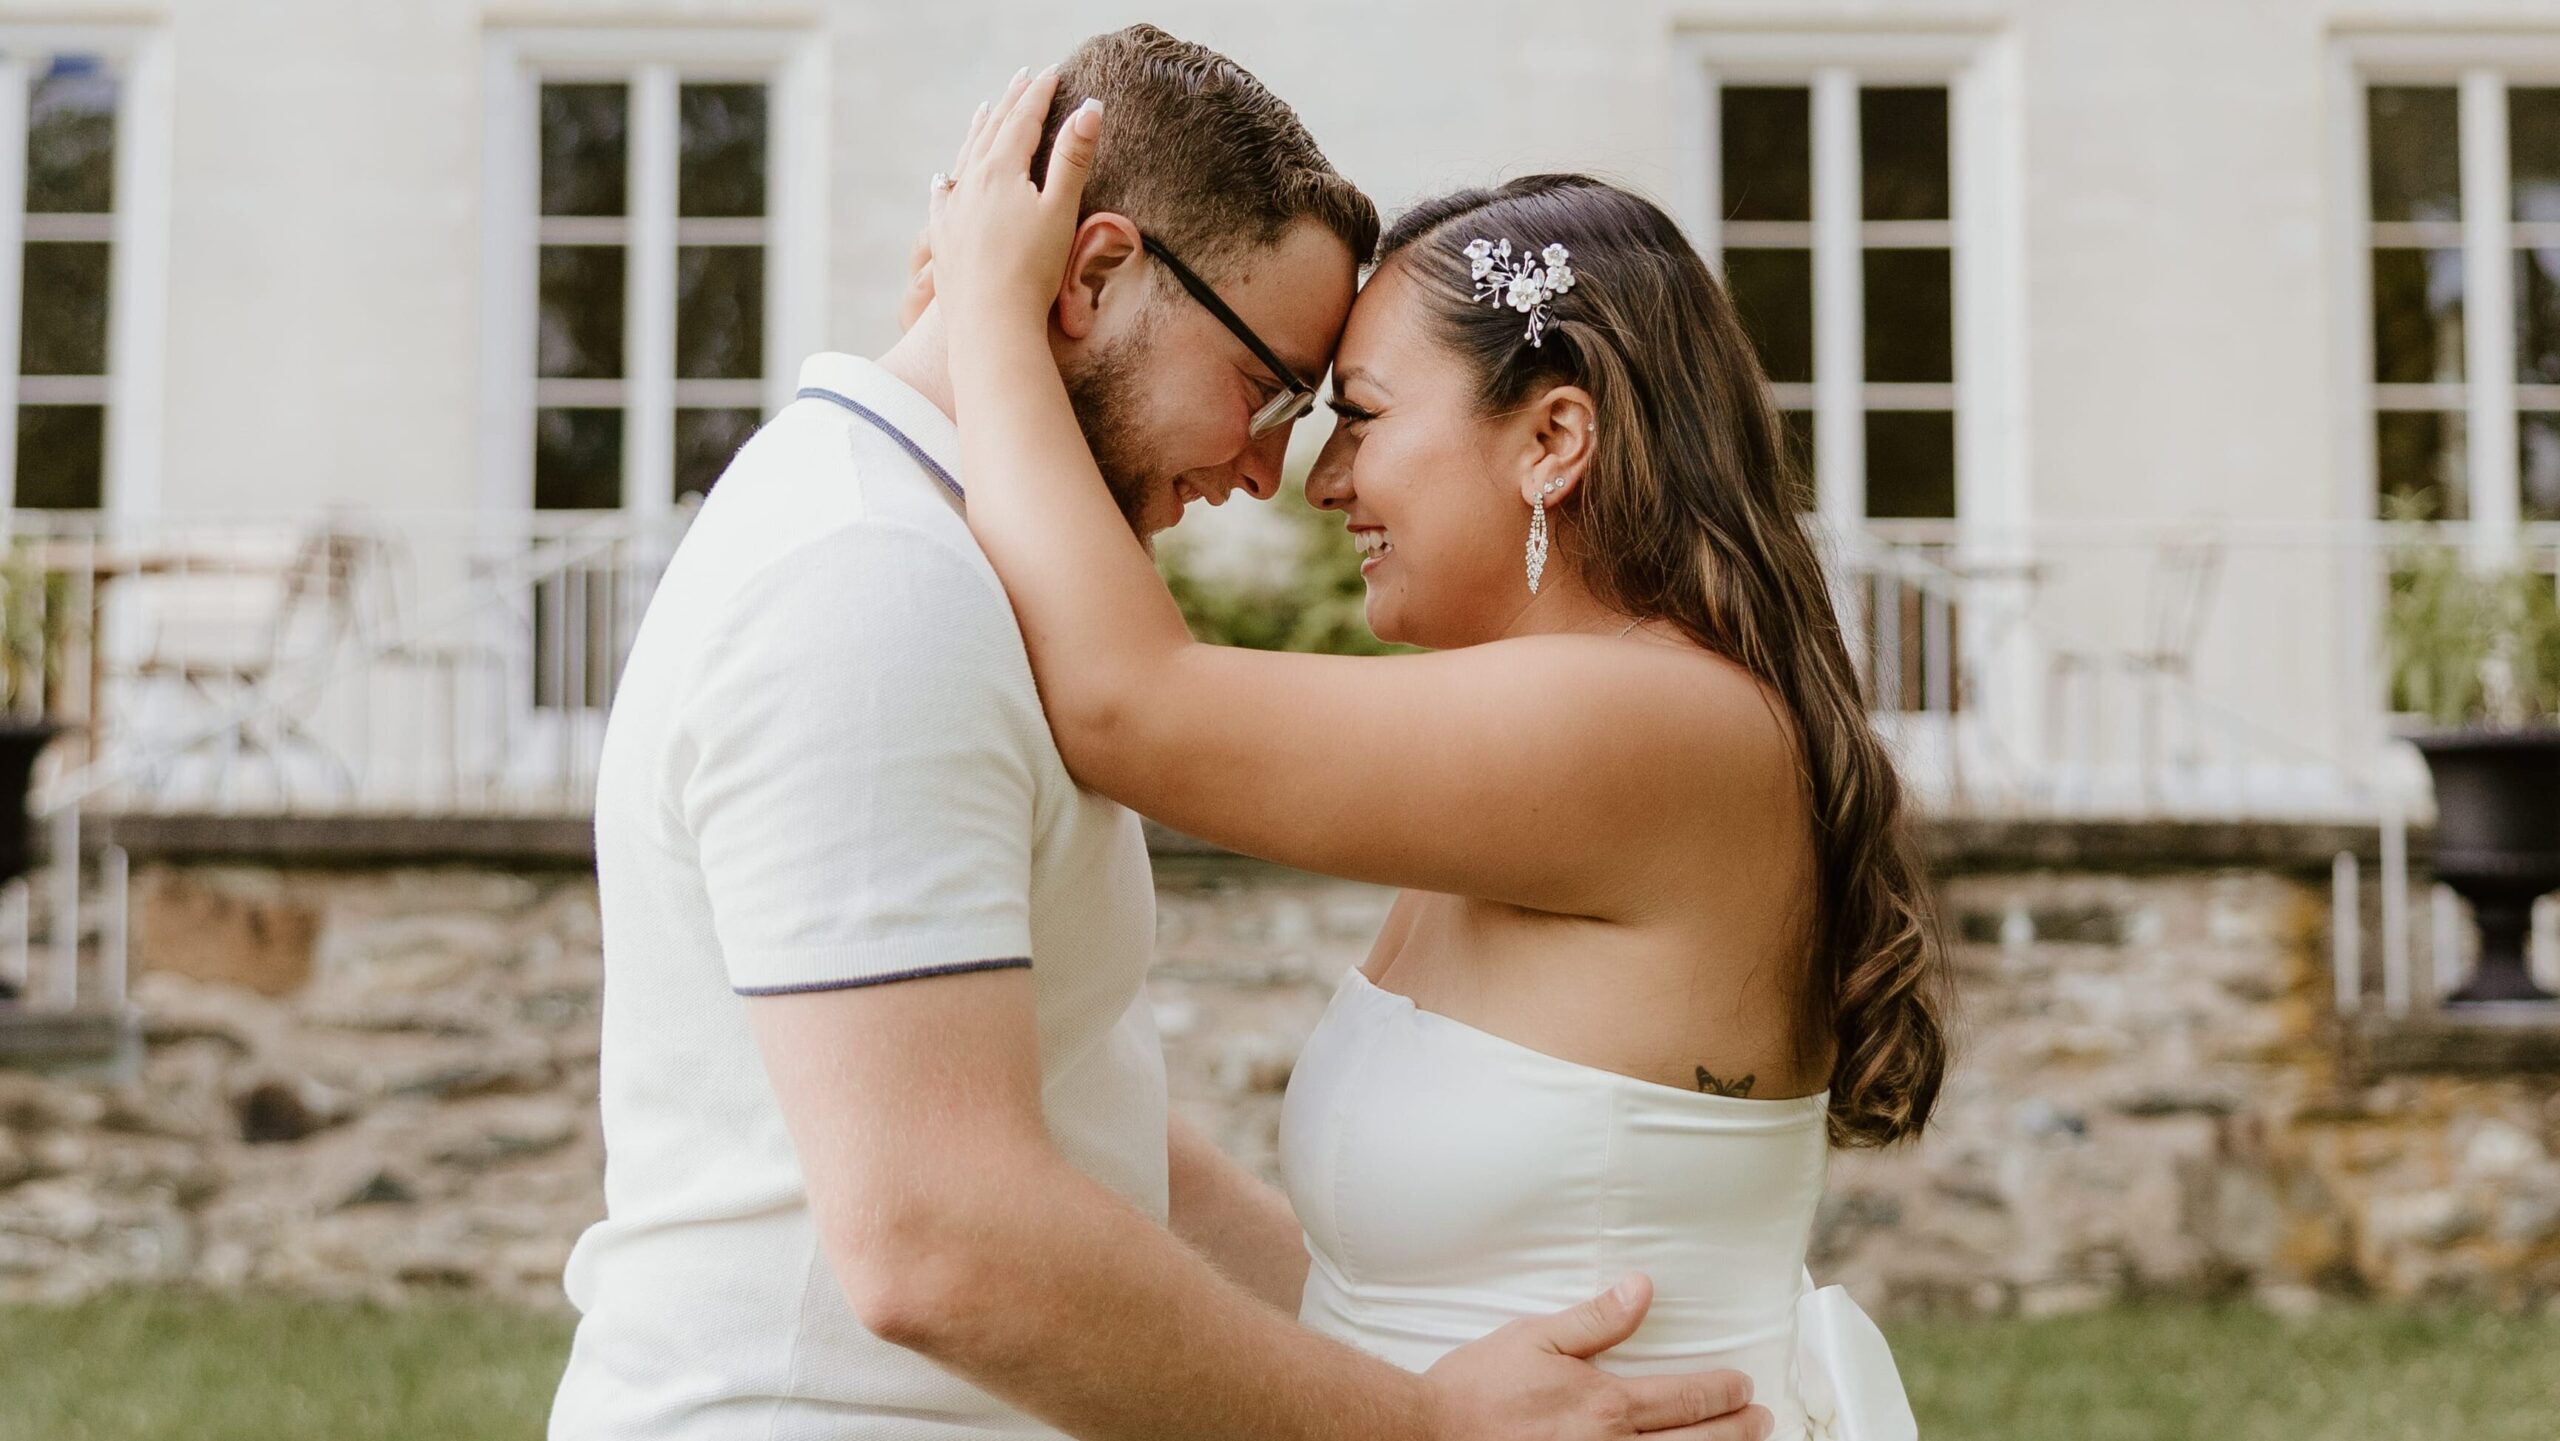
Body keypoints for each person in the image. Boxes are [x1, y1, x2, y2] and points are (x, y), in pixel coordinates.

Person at [549, 26, 1773, 1441]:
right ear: (1093, 276)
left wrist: (1412, 1356)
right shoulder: (871, 581)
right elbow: (939, 1238)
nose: (1273, 470)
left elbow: (1084, 1129)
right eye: (1269, 390)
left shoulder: (944, 562)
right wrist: (1419, 1425)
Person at [921, 62, 1953, 1441]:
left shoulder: (1645, 725)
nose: (1322, 477)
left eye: (1359, 414)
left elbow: (1127, 704)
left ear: (1554, 437)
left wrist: (986, 312)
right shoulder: (1554, 728)